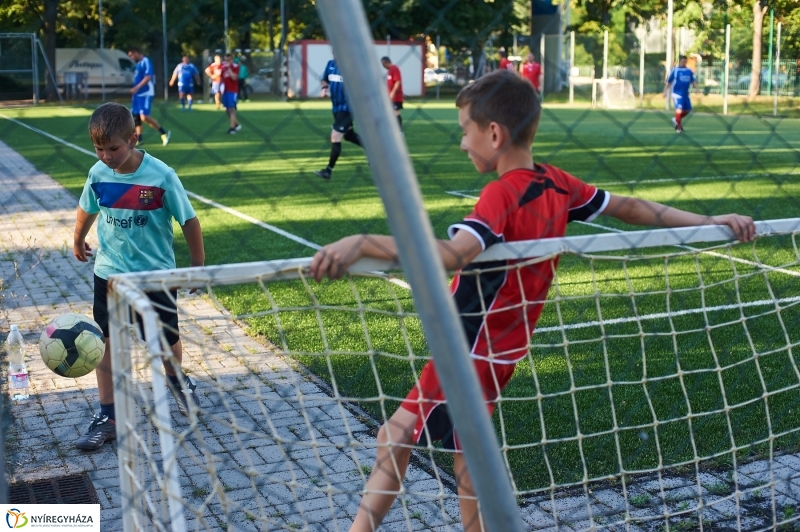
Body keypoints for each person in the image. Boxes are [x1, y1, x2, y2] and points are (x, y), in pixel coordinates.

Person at [308, 69, 755, 532]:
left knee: (396, 436)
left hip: (470, 349)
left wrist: (361, 242)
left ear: (494, 133)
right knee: (467, 459)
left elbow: (448, 256)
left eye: (466, 131)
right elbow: (633, 208)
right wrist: (709, 219)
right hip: (503, 347)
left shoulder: (502, 194)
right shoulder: (558, 184)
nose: (462, 142)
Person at [73, 102, 205, 451]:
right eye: (98, 149)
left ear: (133, 138)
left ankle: (178, 381)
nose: (106, 156)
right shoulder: (98, 174)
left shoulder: (161, 175)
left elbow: (189, 220)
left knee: (163, 340)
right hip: (110, 275)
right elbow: (87, 208)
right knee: (105, 344)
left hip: (154, 277)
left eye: (112, 148)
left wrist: (196, 264)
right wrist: (77, 239)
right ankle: (109, 415)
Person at [313, 56, 365, 181]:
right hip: (336, 107)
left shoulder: (351, 66)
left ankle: (328, 170)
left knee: (335, 136)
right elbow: (324, 79)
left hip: (348, 108)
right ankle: (374, 150)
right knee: (349, 135)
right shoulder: (330, 64)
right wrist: (324, 88)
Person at [127, 47, 170, 146]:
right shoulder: (137, 65)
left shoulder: (146, 61)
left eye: (131, 55)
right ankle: (140, 139)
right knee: (136, 117)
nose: (131, 57)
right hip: (137, 95)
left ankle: (164, 133)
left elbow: (148, 77)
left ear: (136, 52)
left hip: (145, 93)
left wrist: (136, 88)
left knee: (144, 116)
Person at [664, 55, 698, 134]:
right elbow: (669, 82)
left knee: (688, 110)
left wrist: (697, 89)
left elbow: (693, 80)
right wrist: (665, 91)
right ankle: (678, 128)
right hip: (677, 94)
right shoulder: (675, 70)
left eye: (685, 61)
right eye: (683, 61)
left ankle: (676, 119)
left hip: (685, 94)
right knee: (679, 111)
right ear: (680, 61)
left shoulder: (689, 70)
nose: (684, 63)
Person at [380, 56, 403, 133]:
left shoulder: (394, 68)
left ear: (386, 62)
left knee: (395, 112)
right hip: (391, 96)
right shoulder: (389, 70)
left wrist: (393, 92)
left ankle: (399, 131)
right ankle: (394, 130)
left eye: (383, 64)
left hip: (396, 96)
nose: (383, 66)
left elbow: (397, 81)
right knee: (392, 113)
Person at [221, 53, 242, 135]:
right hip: (225, 90)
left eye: (228, 60)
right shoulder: (223, 68)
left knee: (231, 109)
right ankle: (236, 124)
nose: (227, 62)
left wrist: (229, 68)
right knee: (226, 109)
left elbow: (234, 77)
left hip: (232, 91)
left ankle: (232, 128)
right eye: (226, 60)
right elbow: (222, 79)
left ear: (232, 60)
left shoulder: (235, 67)